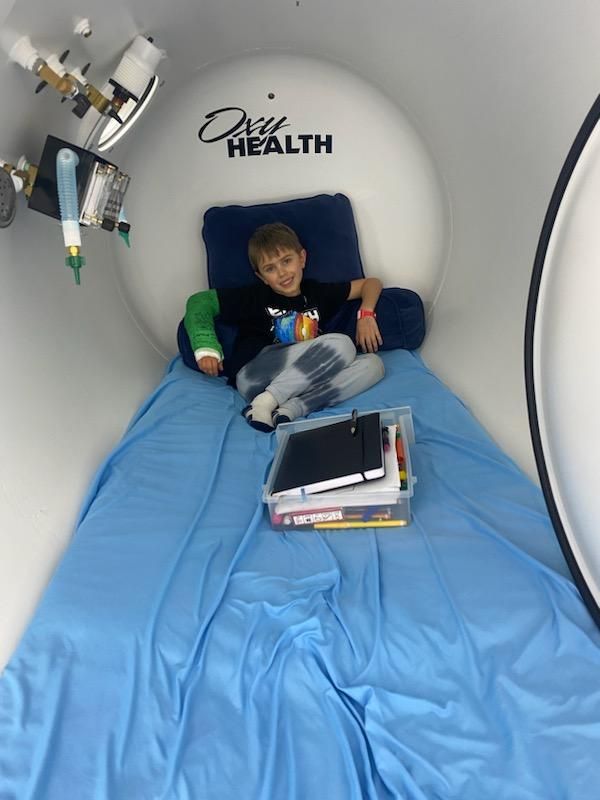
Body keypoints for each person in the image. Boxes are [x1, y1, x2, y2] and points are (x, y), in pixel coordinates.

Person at [182, 222, 385, 431]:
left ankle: (291, 409)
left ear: (302, 258)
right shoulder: (253, 297)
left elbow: (371, 283)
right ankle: (264, 401)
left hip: (302, 381)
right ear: (261, 277)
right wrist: (206, 347)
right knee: (343, 344)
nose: (282, 273)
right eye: (270, 268)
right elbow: (200, 302)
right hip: (255, 377)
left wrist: (366, 314)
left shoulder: (317, 292)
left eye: (287, 261)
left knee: (373, 365)